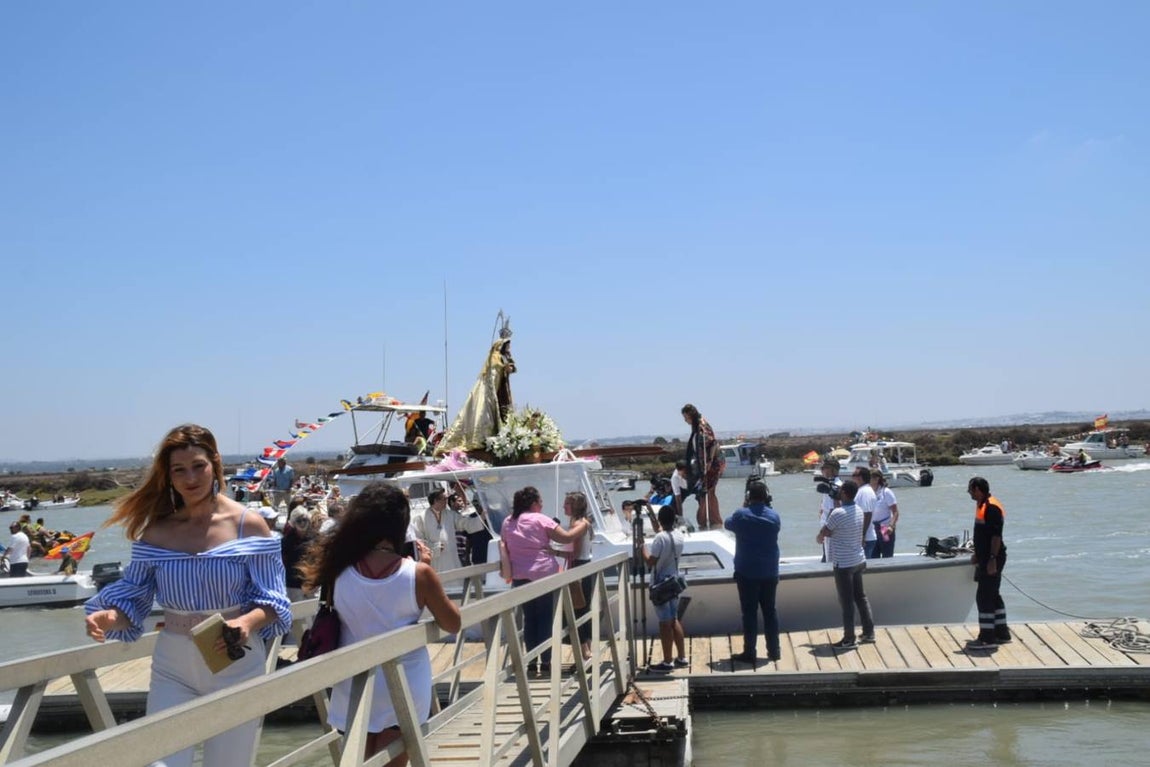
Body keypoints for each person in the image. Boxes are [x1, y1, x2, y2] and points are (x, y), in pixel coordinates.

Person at [84, 424, 291, 767]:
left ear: (215, 463)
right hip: (173, 665)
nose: (190, 478)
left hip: (235, 660)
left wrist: (247, 621)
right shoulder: (156, 530)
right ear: (168, 476)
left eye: (198, 465)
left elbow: (273, 599)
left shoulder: (248, 525)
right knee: (160, 763)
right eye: (179, 470)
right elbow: (134, 597)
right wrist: (110, 617)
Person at [298, 482, 458, 764]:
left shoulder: (337, 569)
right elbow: (452, 623)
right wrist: (429, 569)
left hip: (354, 683)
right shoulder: (419, 574)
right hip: (404, 686)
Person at [500, 486, 590, 676]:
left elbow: (505, 544)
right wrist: (584, 525)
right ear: (533, 503)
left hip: (519, 577)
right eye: (540, 501)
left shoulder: (508, 521)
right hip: (545, 576)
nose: (542, 504)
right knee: (545, 619)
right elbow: (566, 538)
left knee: (529, 619)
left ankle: (532, 663)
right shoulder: (541, 519)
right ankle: (547, 662)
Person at [724, 479, 781, 665]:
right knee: (770, 612)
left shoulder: (741, 515)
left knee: (749, 613)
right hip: (769, 571)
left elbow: (727, 524)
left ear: (749, 497)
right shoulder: (774, 517)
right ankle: (774, 651)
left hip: (747, 571)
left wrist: (744, 505)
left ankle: (750, 652)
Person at [816, 479, 875, 649]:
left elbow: (822, 535)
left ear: (845, 493)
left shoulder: (837, 513)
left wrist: (832, 510)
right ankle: (868, 633)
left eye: (840, 491)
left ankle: (849, 639)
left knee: (847, 601)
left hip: (843, 564)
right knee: (861, 597)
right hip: (858, 560)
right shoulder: (858, 510)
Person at [966, 477, 1011, 649]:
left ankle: (987, 638)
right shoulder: (982, 504)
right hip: (985, 557)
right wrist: (978, 554)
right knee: (993, 594)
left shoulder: (991, 507)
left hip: (993, 558)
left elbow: (996, 536)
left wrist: (992, 559)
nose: (969, 493)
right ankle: (1001, 633)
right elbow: (982, 534)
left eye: (970, 489)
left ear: (978, 489)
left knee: (984, 596)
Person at [644, 505, 688, 671]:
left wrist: (642, 548)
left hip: (660, 584)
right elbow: (663, 532)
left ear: (661, 520)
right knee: (674, 619)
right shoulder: (678, 536)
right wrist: (650, 512)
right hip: (674, 582)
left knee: (664, 623)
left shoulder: (659, 538)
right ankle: (682, 657)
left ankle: (667, 661)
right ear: (674, 520)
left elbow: (650, 562)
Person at [412, 488, 484, 573]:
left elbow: (465, 523)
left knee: (457, 583)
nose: (447, 501)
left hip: (452, 561)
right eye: (444, 499)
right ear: (436, 501)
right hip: (435, 562)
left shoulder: (450, 514)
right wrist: (434, 548)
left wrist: (482, 518)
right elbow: (418, 541)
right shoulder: (421, 518)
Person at [681, 403, 725, 529]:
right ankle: (711, 520)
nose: (685, 421)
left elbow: (711, 443)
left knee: (708, 491)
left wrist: (708, 464)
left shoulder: (702, 426)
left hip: (712, 465)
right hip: (703, 465)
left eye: (686, 417)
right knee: (705, 492)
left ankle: (714, 521)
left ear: (691, 415)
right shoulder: (695, 427)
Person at [563, 491, 595, 661]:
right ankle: (587, 647)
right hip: (585, 566)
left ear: (575, 506)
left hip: (578, 567)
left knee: (578, 610)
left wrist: (552, 551)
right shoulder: (584, 523)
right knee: (584, 608)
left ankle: (585, 649)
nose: (563, 506)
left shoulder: (577, 525)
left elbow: (574, 554)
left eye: (567, 504)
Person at [281, 508, 315, 601]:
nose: (302, 523)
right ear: (293, 523)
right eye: (299, 520)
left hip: (311, 583)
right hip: (293, 584)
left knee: (311, 613)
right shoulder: (286, 541)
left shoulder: (315, 537)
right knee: (296, 613)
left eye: (305, 519)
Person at [868, 470, 899, 559]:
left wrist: (891, 526)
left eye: (870, 478)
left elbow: (895, 512)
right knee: (873, 555)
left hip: (884, 528)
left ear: (877, 479)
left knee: (887, 554)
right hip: (872, 528)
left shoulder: (886, 492)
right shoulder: (868, 492)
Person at [816, 457, 842, 562]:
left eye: (825, 468)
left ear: (833, 470)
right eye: (822, 468)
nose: (822, 471)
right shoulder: (828, 484)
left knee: (829, 560)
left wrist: (823, 532)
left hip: (830, 529)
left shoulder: (836, 486)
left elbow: (834, 510)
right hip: (826, 526)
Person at [669, 460, 691, 525]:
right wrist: (680, 516)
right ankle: (674, 523)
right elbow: (678, 498)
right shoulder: (674, 478)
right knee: (673, 506)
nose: (685, 474)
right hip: (683, 489)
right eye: (684, 472)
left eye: (686, 471)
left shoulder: (693, 470)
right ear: (678, 471)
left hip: (693, 485)